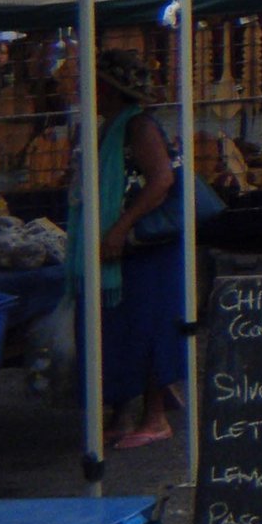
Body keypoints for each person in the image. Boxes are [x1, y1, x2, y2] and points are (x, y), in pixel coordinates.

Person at [68, 54, 182, 450]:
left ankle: (155, 417)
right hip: (122, 249)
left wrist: (121, 225)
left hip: (145, 248)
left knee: (146, 329)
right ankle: (122, 413)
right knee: (117, 328)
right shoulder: (110, 128)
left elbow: (162, 180)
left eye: (93, 83)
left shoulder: (138, 126)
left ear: (108, 89)